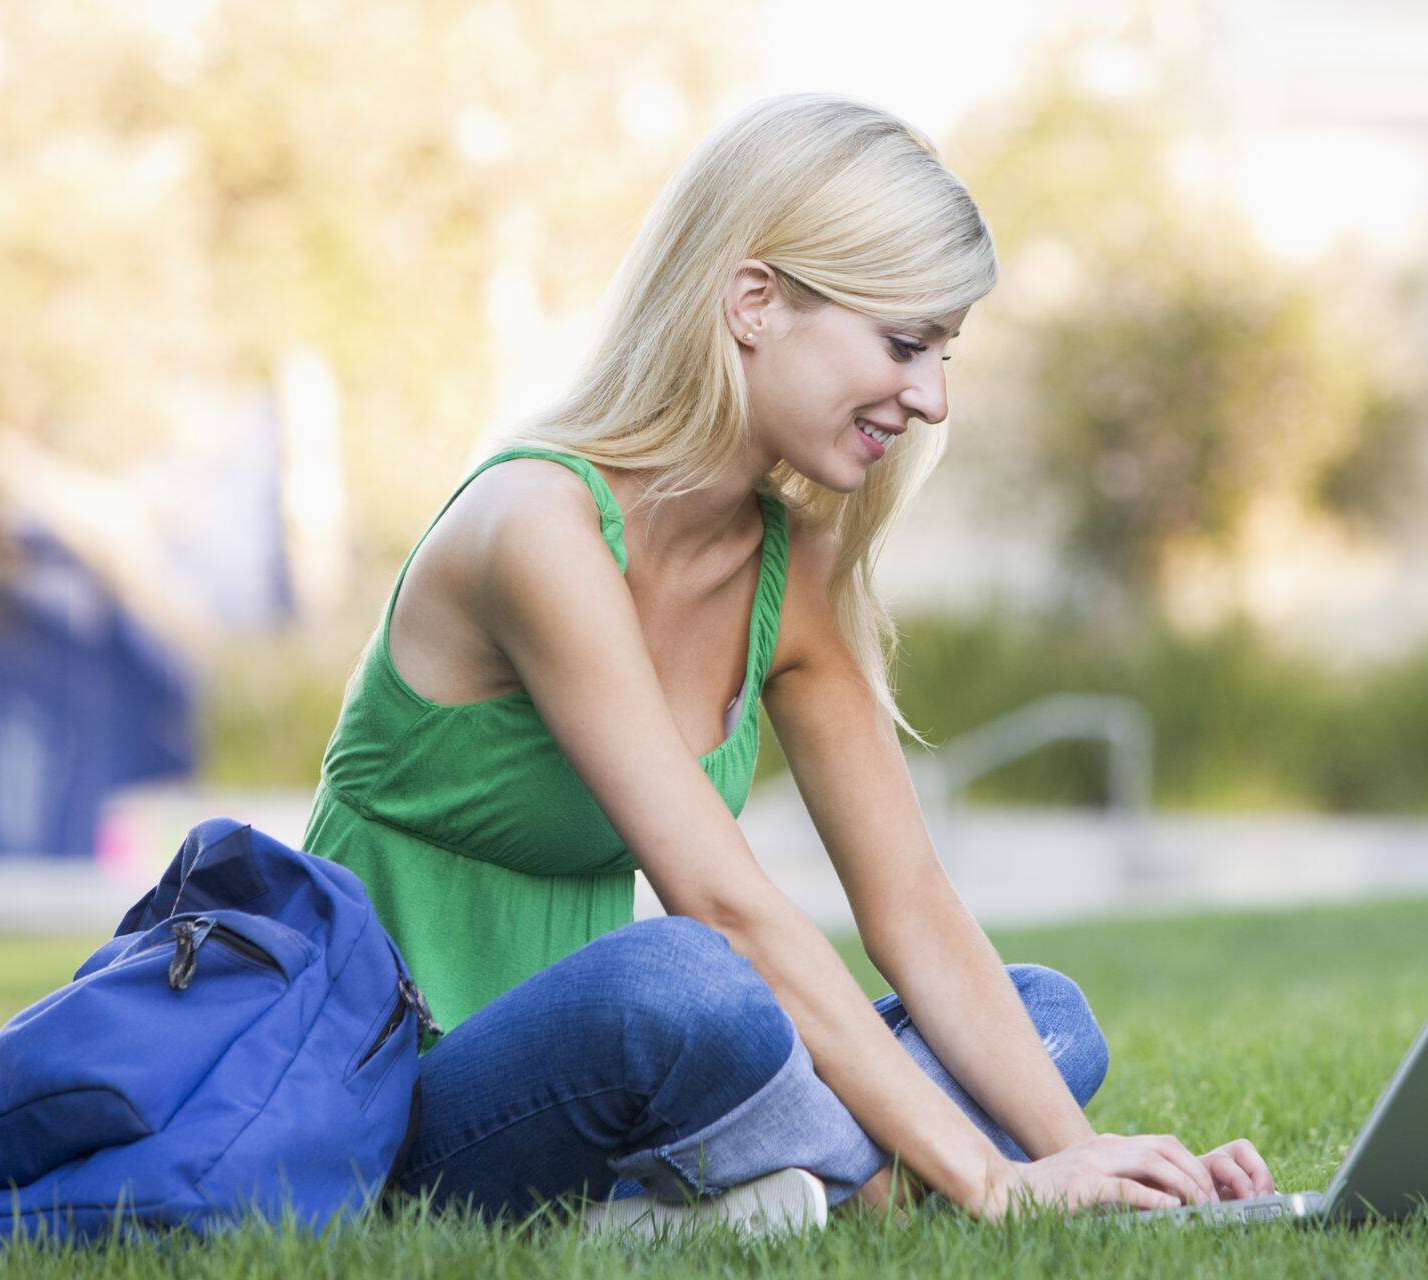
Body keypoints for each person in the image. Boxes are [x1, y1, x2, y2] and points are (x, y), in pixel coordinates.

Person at [301, 91, 1273, 1234]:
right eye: (905, 344)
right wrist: (994, 1176)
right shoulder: (535, 526)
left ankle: (707, 1199)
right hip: (413, 1107)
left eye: (945, 352)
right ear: (754, 301)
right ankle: (830, 1185)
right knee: (676, 975)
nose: (932, 397)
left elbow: (910, 901)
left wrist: (1087, 1153)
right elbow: (720, 905)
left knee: (1045, 1020)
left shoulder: (789, 566)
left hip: (641, 1084)